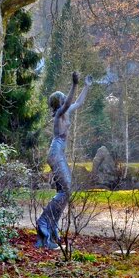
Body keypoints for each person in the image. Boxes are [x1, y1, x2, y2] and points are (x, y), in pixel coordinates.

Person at [36, 71, 91, 248]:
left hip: (59, 153)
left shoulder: (66, 112)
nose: (64, 100)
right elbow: (69, 103)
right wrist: (74, 84)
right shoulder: (60, 113)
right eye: (62, 98)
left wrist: (86, 86)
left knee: (65, 192)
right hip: (55, 153)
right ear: (58, 103)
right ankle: (43, 225)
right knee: (66, 190)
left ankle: (52, 228)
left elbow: (78, 102)